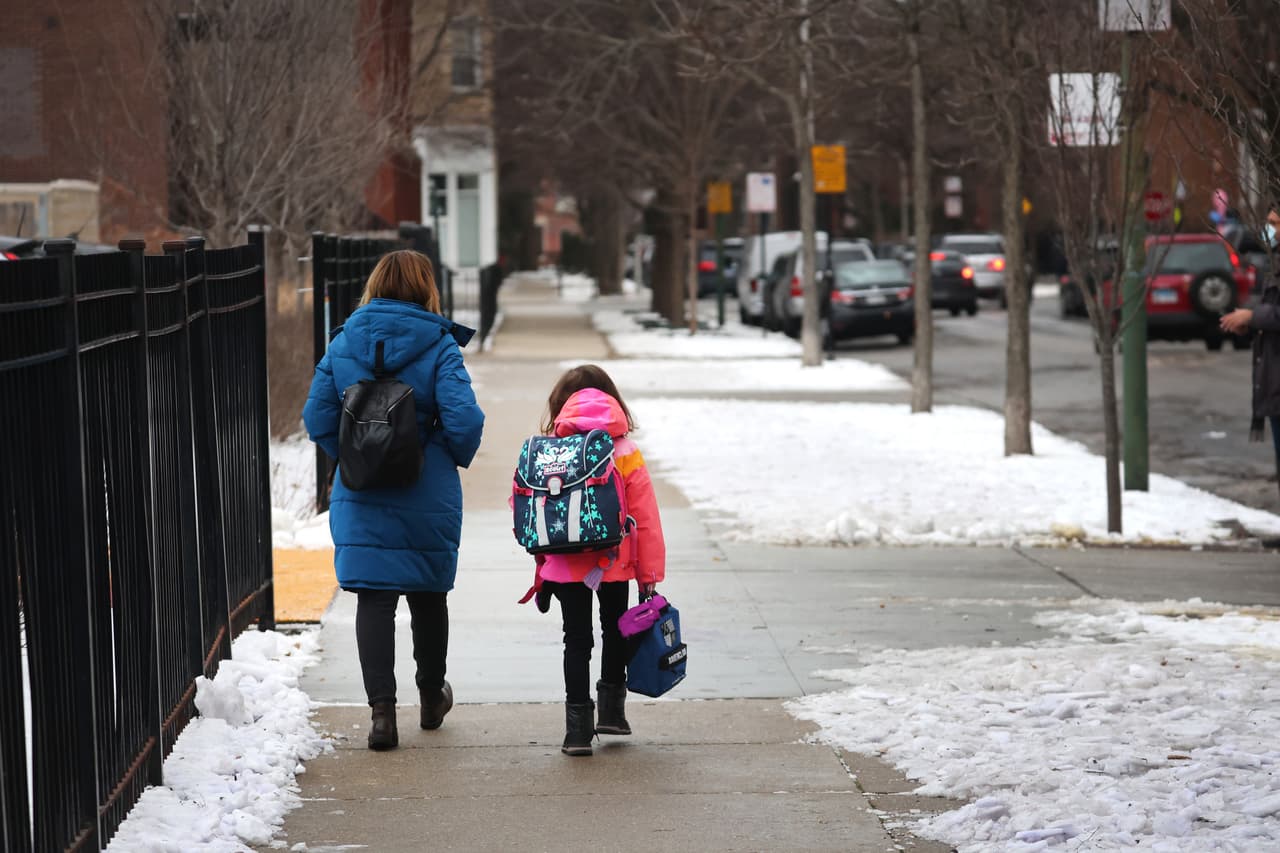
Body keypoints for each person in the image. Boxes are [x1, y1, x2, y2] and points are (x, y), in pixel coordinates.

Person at [303, 250, 484, 750]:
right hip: (426, 487)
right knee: (428, 594)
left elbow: (316, 414)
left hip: (363, 490)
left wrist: (356, 452)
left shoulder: (344, 343)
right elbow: (464, 420)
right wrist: (442, 453)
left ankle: (382, 714)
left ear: (374, 285)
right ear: (427, 288)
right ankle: (431, 697)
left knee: (374, 597)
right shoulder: (440, 345)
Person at [529, 365, 665, 756]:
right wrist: (649, 575)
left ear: (560, 404)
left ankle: (576, 732)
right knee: (615, 631)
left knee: (576, 640)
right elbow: (646, 516)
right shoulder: (624, 451)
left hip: (566, 563)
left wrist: (542, 569)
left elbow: (537, 515)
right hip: (614, 561)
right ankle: (611, 713)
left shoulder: (548, 451)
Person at [1221, 205, 1280, 499]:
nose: (1268, 230)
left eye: (1273, 223)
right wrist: (1250, 324)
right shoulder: (1274, 265)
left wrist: (1252, 317)